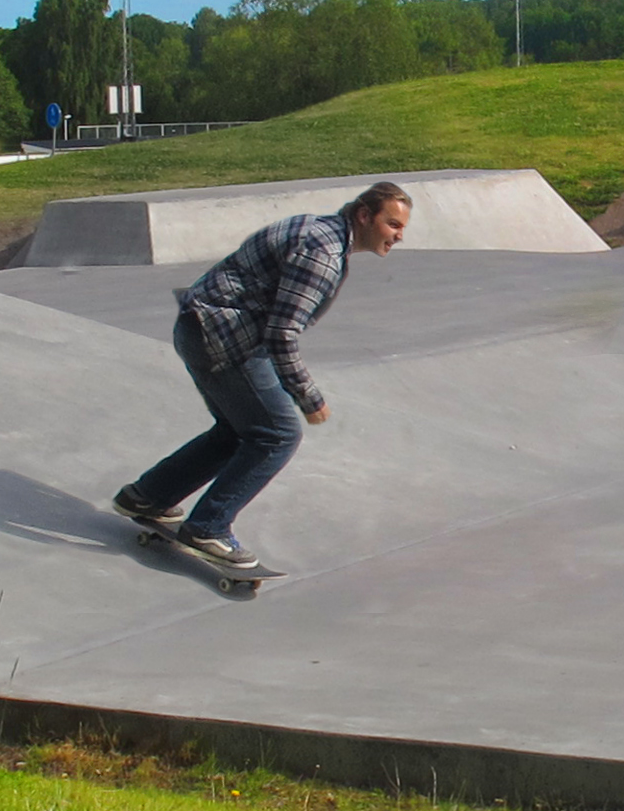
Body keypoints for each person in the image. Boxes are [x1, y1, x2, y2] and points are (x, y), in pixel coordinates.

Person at [110, 181, 415, 572]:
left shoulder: (319, 229)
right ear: (363, 215)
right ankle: (208, 527)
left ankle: (148, 495)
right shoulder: (323, 254)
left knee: (238, 430)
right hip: (225, 339)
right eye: (392, 224)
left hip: (199, 325)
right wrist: (310, 398)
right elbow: (281, 335)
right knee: (278, 433)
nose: (399, 236)